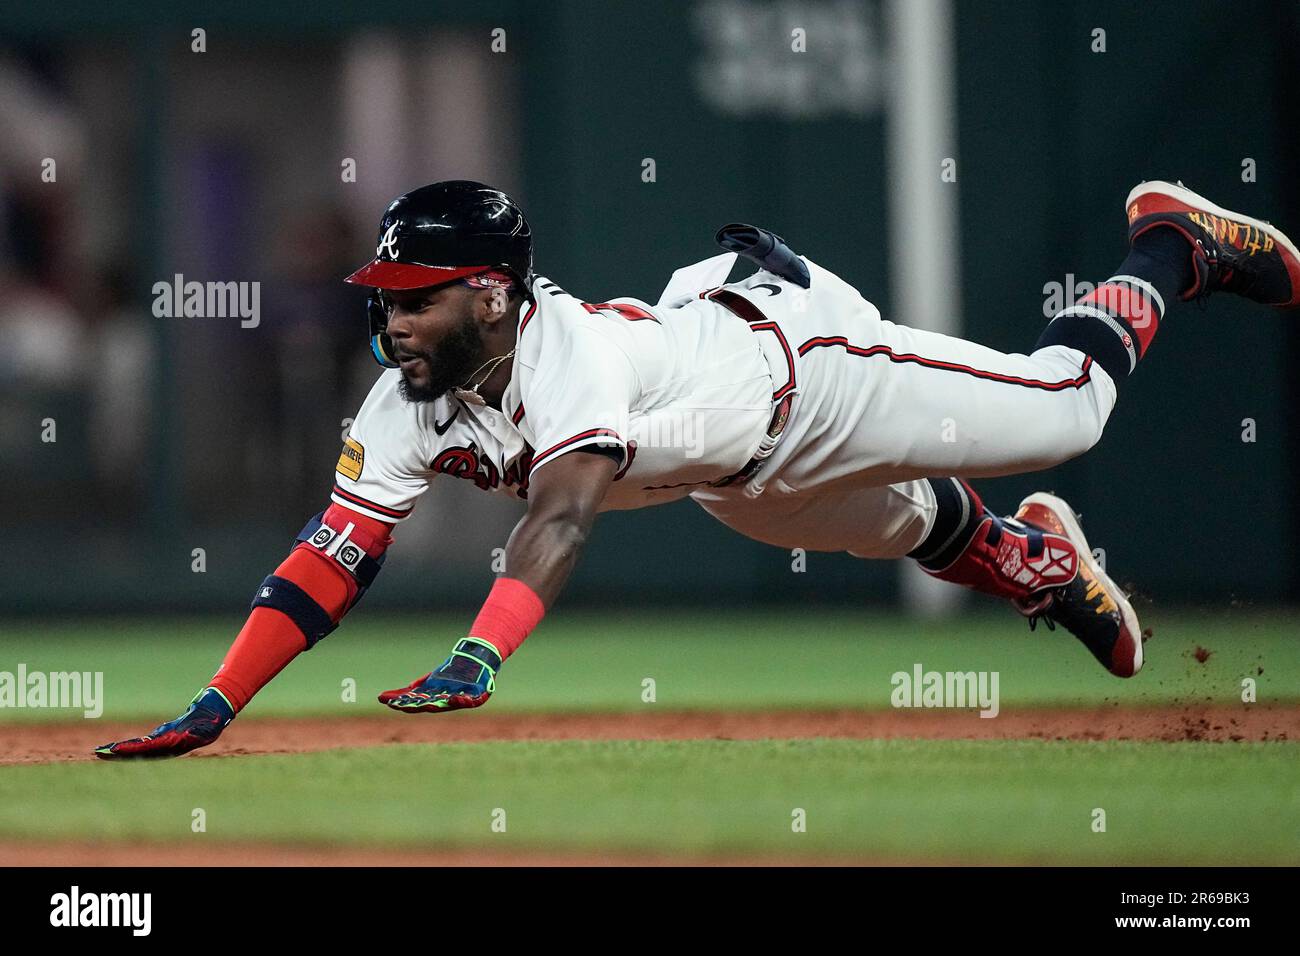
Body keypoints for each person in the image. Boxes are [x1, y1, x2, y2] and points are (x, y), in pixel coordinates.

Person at [96, 179, 1300, 759]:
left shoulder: (562, 357)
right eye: (383, 298)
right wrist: (217, 701)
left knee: (1067, 411)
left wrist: (478, 654)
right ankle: (1042, 559)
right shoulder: (403, 398)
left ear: (489, 293)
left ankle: (1172, 244)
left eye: (413, 299)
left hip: (806, 366)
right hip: (731, 472)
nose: (391, 319)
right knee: (894, 528)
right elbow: (332, 557)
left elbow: (560, 522)